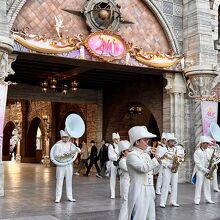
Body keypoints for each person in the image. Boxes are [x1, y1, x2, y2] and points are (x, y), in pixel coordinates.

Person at [126, 126, 161, 220]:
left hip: (149, 189)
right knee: (139, 216)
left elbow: (153, 172)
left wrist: (159, 163)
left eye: (147, 140)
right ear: (137, 141)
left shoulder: (146, 155)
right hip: (139, 190)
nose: (147, 142)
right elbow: (143, 168)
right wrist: (155, 160)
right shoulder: (131, 155)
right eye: (145, 140)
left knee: (151, 216)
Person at [52, 130, 81, 203]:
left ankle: (70, 196)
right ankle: (58, 197)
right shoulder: (58, 145)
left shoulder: (70, 144)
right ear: (61, 137)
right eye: (64, 137)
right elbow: (55, 155)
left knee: (69, 180)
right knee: (59, 180)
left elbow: (76, 151)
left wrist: (77, 150)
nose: (65, 139)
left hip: (69, 165)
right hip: (61, 165)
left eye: (67, 137)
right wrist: (63, 155)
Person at [191, 135, 215, 205]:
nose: (207, 145)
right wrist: (204, 169)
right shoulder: (197, 152)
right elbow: (197, 163)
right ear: (202, 144)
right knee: (199, 185)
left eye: (207, 143)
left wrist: (212, 161)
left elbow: (210, 159)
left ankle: (208, 199)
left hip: (207, 170)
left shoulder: (209, 151)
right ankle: (197, 200)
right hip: (200, 171)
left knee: (207, 184)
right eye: (206, 143)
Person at [160, 133, 181, 208]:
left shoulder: (176, 149)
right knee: (165, 185)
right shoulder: (163, 149)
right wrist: (168, 165)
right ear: (168, 142)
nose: (173, 143)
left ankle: (173, 201)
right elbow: (160, 160)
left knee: (175, 185)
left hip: (175, 168)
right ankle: (162, 202)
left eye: (174, 141)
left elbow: (180, 157)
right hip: (167, 168)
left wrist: (178, 161)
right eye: (172, 141)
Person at [118, 140, 130, 220]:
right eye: (128, 151)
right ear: (123, 152)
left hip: (131, 183)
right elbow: (129, 169)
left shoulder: (130, 159)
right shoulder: (122, 161)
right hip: (125, 183)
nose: (130, 152)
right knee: (125, 202)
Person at [108, 132, 120, 199]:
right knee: (113, 179)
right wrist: (117, 157)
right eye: (116, 139)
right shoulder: (111, 146)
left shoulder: (120, 145)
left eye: (118, 139)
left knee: (122, 178)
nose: (118, 140)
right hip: (113, 164)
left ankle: (122, 193)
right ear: (113, 140)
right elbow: (110, 156)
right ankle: (113, 194)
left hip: (120, 163)